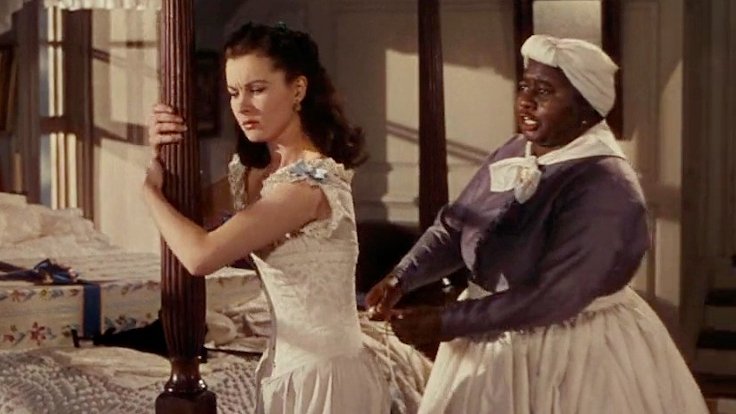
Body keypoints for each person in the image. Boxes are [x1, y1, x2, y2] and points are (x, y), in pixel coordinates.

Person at [366, 34, 709, 414]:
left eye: (544, 91)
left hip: (570, 350)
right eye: (524, 86)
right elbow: (456, 225)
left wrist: (446, 321)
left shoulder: (605, 184)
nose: (526, 100)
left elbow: (555, 296)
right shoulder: (515, 150)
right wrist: (402, 277)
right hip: (488, 334)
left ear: (586, 108)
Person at [143, 22, 389, 413]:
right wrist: (162, 148)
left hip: (326, 376)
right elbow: (187, 213)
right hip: (284, 369)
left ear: (298, 90)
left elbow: (199, 255)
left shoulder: (307, 184)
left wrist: (148, 191)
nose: (242, 106)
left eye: (257, 89)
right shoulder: (254, 174)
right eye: (233, 92)